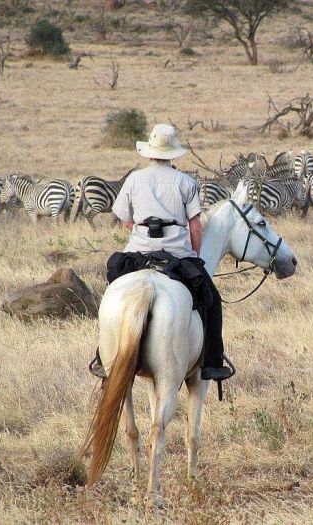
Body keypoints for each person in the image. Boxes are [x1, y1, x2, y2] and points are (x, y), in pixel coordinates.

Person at [98, 123, 233, 382]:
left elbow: (124, 217)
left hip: (137, 252)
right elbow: (195, 226)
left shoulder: (135, 179)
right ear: (172, 153)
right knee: (212, 302)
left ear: (149, 152)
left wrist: (140, 227)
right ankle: (213, 362)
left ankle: (102, 355)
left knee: (111, 293)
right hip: (177, 254)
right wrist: (195, 255)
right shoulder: (185, 181)